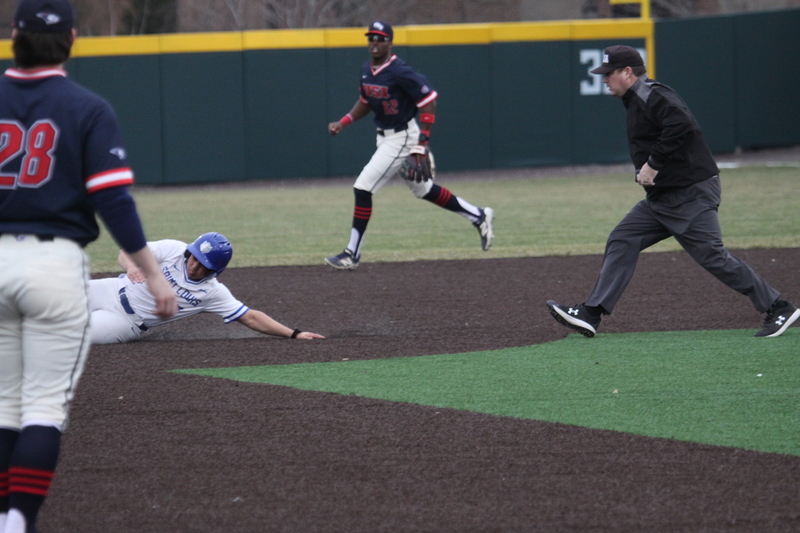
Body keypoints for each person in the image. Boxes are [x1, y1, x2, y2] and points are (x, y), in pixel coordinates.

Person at [0, 1, 178, 532]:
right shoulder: (87, 107)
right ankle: (16, 523)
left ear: (14, 36)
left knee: (5, 402)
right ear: (72, 40)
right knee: (43, 407)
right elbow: (114, 202)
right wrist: (154, 271)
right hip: (54, 263)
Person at [547, 45, 799, 339]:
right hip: (663, 198)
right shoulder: (636, 98)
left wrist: (653, 164)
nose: (604, 79)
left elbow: (683, 125)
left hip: (689, 193)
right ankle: (592, 312)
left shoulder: (651, 94)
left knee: (713, 257)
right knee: (623, 237)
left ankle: (779, 306)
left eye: (608, 73)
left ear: (627, 73)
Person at [324, 21, 494, 270]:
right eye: (371, 37)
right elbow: (366, 101)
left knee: (362, 187)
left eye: (380, 38)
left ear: (390, 43)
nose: (374, 42)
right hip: (385, 136)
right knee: (424, 190)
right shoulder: (366, 69)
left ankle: (351, 253)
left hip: (402, 137)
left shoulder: (400, 71)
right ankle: (479, 215)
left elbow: (429, 101)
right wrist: (344, 121)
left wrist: (421, 145)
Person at [90, 233, 325, 344]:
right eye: (194, 258)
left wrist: (294, 333)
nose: (193, 266)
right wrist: (131, 267)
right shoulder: (174, 249)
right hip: (110, 288)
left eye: (203, 265)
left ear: (215, 270)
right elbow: (127, 251)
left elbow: (251, 317)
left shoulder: (212, 292)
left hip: (125, 322)